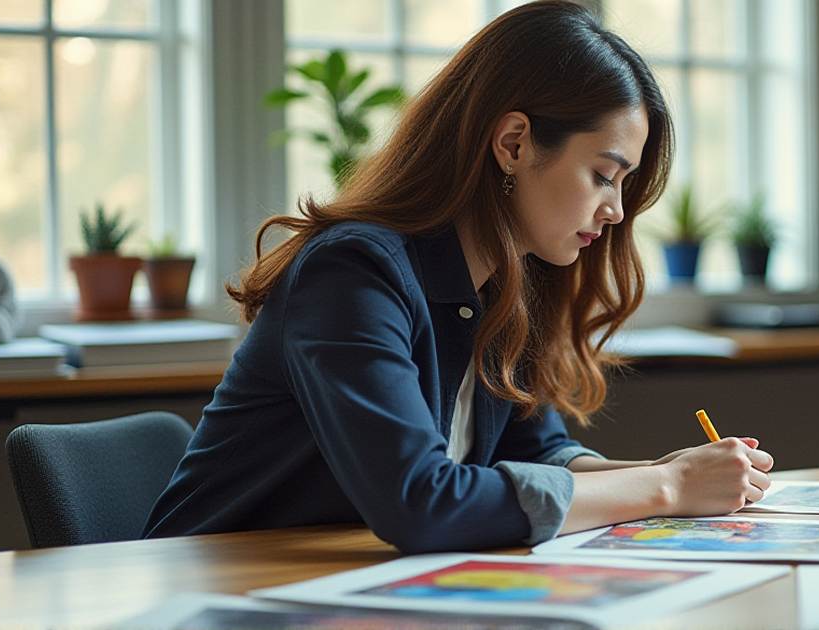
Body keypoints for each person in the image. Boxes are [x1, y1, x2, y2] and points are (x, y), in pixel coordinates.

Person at [143, 0, 772, 553]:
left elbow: (536, 454)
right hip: (214, 593)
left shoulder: (504, 284)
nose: (614, 210)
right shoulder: (352, 272)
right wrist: (665, 486)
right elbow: (421, 502)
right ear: (514, 143)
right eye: (604, 175)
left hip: (341, 590)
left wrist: (675, 471)